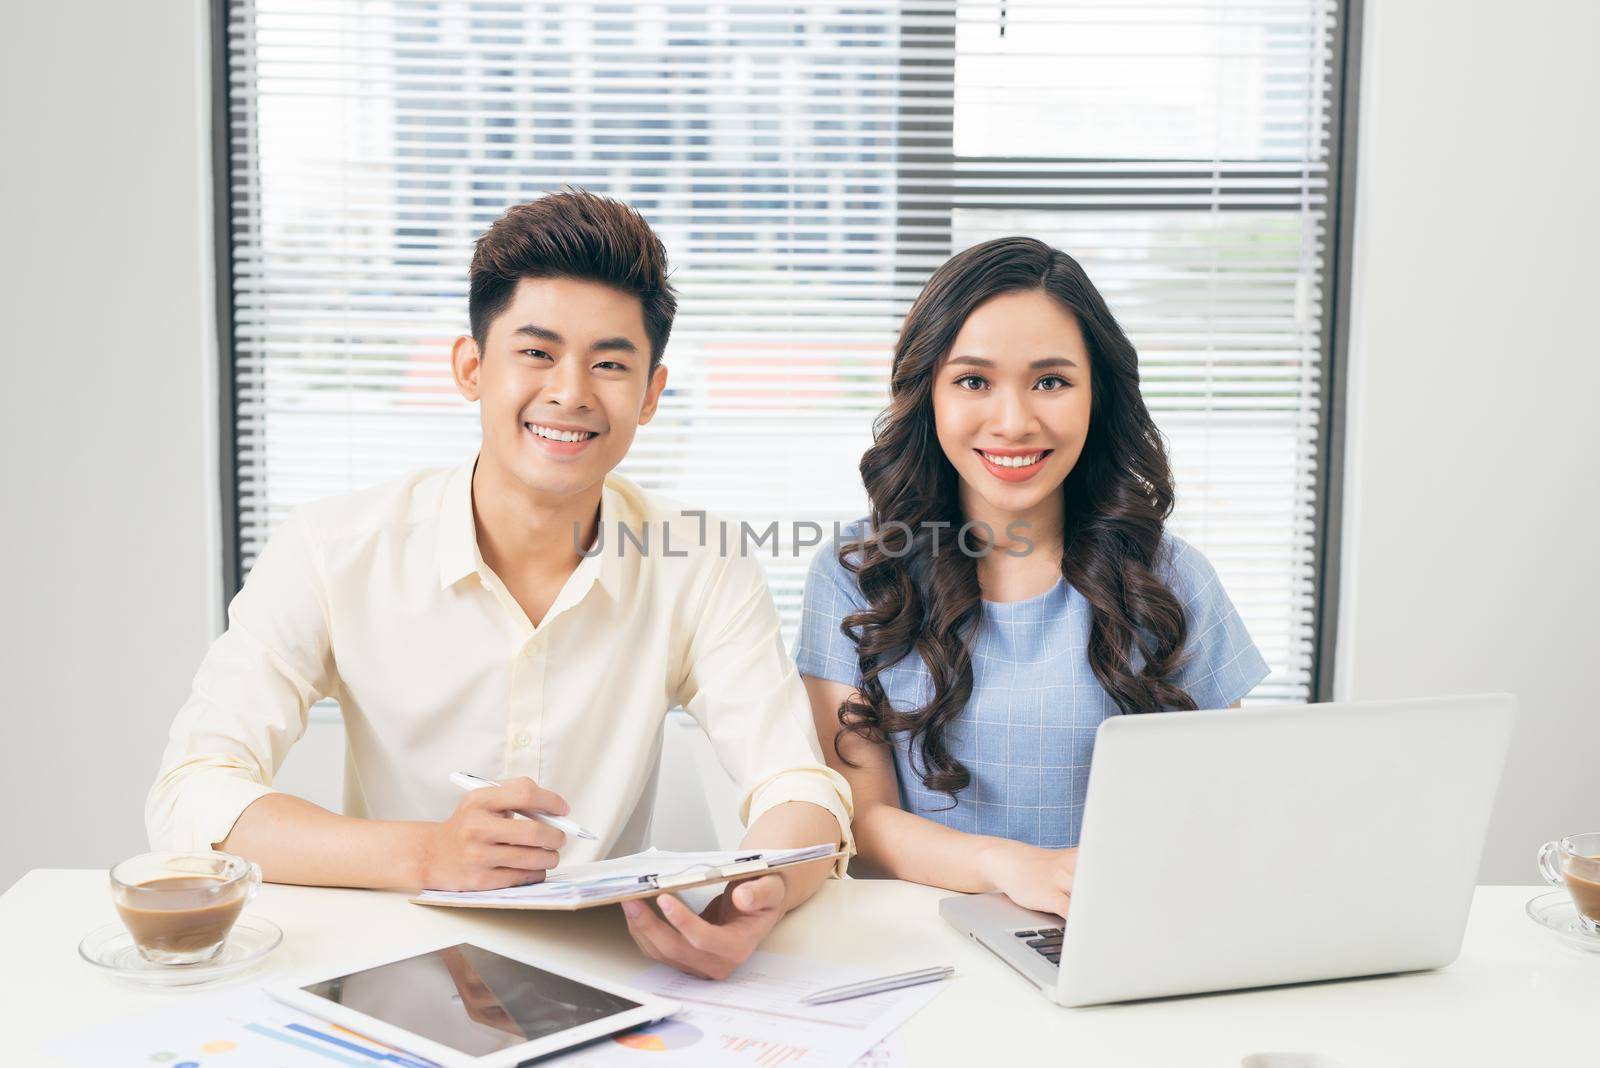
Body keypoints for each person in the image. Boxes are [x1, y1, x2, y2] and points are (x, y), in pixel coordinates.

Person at [147, 190, 853, 979]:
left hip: (609, 970)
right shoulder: (332, 548)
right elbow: (193, 795)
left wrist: (763, 889)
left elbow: (796, 785)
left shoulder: (702, 560)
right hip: (389, 956)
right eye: (537, 352)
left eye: (611, 364)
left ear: (651, 394)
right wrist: (428, 852)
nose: (572, 392)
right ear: (472, 368)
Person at [795, 237, 1267, 918]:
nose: (1014, 423)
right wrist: (1009, 867)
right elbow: (860, 824)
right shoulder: (857, 575)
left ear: (1096, 395)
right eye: (973, 381)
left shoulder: (1171, 577)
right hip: (917, 941)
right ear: (927, 392)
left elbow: (1223, 806)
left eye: (1050, 381)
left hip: (1115, 930)